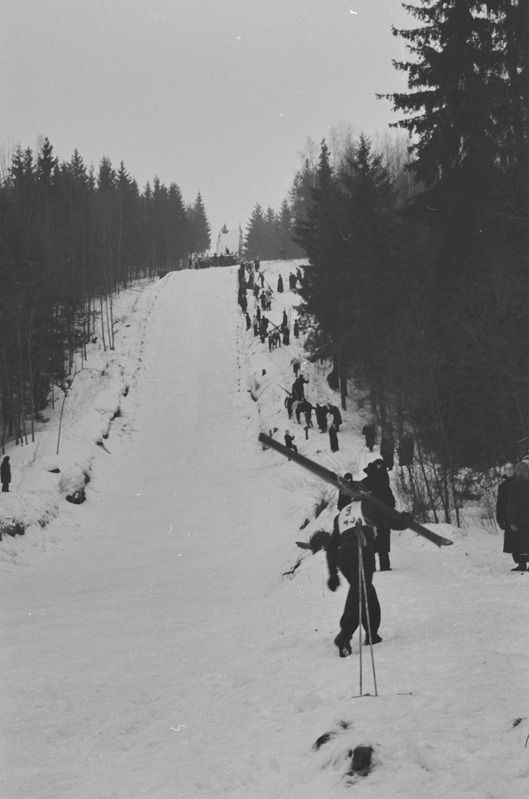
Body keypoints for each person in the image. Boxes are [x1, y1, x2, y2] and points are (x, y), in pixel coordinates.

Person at [327, 491, 412, 656]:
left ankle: (372, 634)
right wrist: (407, 519)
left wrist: (333, 573)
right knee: (362, 590)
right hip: (362, 551)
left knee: (365, 591)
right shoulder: (370, 505)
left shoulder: (341, 515)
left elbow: (331, 547)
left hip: (343, 556)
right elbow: (395, 522)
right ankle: (344, 635)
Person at [362, 460, 396, 571]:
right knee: (382, 542)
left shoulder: (366, 483)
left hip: (369, 518)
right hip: (382, 518)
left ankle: (371, 567)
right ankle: (384, 566)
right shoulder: (384, 485)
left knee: (370, 542)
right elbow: (391, 502)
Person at [507, 458, 529, 571]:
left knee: (520, 542)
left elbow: (513, 504)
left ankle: (522, 563)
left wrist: (512, 521)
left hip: (521, 519)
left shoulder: (516, 484)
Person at [496, 463, 517, 568]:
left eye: (511, 468)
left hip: (520, 516)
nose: (509, 471)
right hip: (508, 517)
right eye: (507, 469)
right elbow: (499, 503)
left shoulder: (520, 482)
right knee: (512, 541)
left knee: (523, 540)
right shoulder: (502, 486)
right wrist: (499, 518)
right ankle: (520, 563)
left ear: (514, 469)